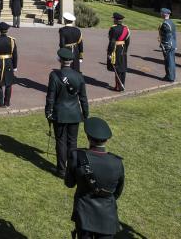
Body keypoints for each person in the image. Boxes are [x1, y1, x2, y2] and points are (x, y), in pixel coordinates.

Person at [65, 117, 125, 238]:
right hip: (107, 217)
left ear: (88, 137)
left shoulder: (77, 156)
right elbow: (117, 192)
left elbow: (69, 183)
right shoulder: (117, 162)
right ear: (106, 140)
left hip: (84, 215)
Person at [45, 47, 90, 178]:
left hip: (59, 114)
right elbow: (83, 98)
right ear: (71, 61)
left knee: (61, 142)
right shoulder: (79, 76)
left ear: (60, 60)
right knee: (73, 142)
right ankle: (72, 169)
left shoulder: (54, 76)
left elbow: (50, 96)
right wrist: (86, 113)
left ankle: (61, 170)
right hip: (75, 113)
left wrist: (48, 111)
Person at [106, 13, 130, 92]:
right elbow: (127, 41)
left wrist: (109, 53)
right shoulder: (126, 28)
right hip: (123, 49)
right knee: (123, 67)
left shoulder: (113, 29)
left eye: (114, 19)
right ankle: (122, 85)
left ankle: (118, 87)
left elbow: (112, 42)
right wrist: (125, 50)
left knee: (117, 67)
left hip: (116, 49)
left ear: (116, 20)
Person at [158, 8, 177, 82]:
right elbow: (174, 35)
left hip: (168, 45)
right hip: (172, 44)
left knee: (169, 61)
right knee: (171, 61)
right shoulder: (171, 22)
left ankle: (170, 77)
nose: (161, 14)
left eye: (162, 12)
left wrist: (163, 44)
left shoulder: (165, 24)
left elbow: (166, 36)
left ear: (165, 14)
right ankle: (170, 76)